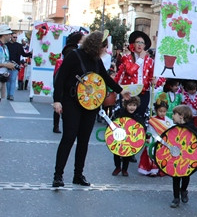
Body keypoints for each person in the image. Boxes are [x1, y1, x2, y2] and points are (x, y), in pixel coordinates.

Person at [52, 31, 129, 187]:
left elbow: (105, 78)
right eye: (105, 47)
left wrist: (121, 91)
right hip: (72, 102)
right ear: (97, 46)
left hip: (90, 104)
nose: (106, 50)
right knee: (68, 138)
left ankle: (78, 175)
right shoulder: (74, 55)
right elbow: (60, 79)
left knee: (84, 141)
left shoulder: (95, 59)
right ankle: (58, 176)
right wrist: (57, 101)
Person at [168, 105, 197, 207]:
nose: (172, 116)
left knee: (185, 176)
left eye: (174, 114)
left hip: (187, 159)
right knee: (175, 177)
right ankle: (176, 198)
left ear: (181, 116)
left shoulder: (191, 128)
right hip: (176, 158)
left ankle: (183, 190)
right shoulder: (174, 129)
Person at [115, 31, 154, 120]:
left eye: (142, 43)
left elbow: (152, 75)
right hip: (128, 92)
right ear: (133, 44)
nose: (140, 45)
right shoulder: (126, 57)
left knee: (140, 118)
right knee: (126, 118)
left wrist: (155, 80)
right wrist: (140, 59)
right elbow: (130, 71)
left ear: (145, 46)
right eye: (137, 42)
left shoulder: (150, 60)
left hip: (143, 93)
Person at [53, 31, 86, 133]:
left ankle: (56, 124)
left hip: (62, 76)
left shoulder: (69, 48)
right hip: (67, 79)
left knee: (60, 100)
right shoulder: (73, 51)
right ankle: (57, 124)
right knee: (61, 101)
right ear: (79, 40)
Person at [138, 96, 174, 176]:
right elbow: (150, 131)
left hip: (164, 141)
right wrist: (148, 138)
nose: (162, 113)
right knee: (152, 152)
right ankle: (153, 170)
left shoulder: (169, 121)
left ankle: (161, 169)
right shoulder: (153, 120)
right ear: (156, 110)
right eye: (160, 111)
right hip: (154, 140)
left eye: (164, 111)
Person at [111, 96, 143, 177]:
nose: (132, 107)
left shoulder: (137, 116)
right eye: (130, 105)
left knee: (127, 154)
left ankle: (125, 169)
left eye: (134, 105)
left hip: (130, 139)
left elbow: (141, 127)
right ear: (126, 105)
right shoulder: (120, 113)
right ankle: (117, 167)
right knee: (116, 152)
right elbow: (114, 123)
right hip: (119, 137)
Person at [6, 31, 32, 101]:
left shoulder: (19, 45)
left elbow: (23, 54)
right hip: (7, 65)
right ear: (11, 37)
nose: (15, 38)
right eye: (14, 37)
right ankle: (8, 94)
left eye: (16, 37)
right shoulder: (6, 45)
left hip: (16, 65)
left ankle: (11, 95)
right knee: (8, 80)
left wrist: (30, 53)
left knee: (13, 79)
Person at [0, 25, 17, 102]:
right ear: (4, 35)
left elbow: (5, 60)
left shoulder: (5, 47)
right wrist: (6, 65)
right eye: (9, 34)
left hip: (3, 76)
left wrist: (10, 64)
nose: (10, 36)